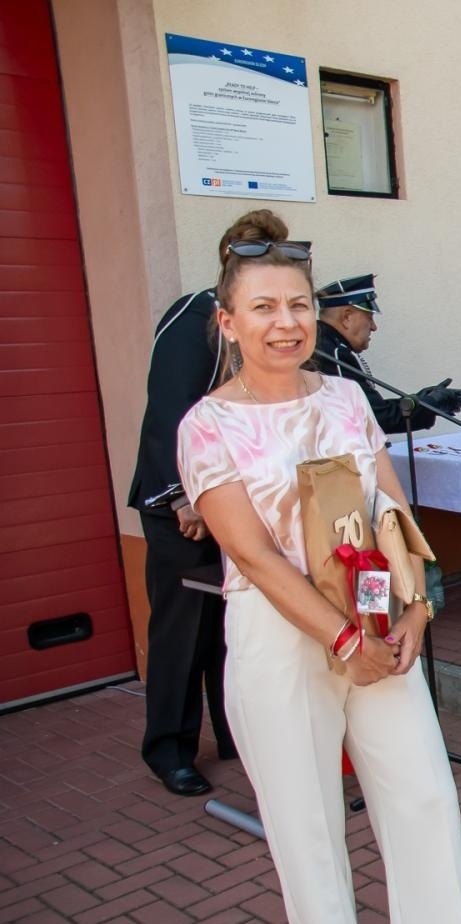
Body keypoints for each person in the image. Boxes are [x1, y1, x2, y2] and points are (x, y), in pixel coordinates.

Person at [178, 230, 461, 924]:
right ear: (227, 322)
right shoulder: (205, 425)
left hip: (375, 622)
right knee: (309, 830)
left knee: (426, 800)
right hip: (280, 637)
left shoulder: (346, 399)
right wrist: (335, 638)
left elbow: (390, 507)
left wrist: (417, 607)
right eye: (263, 308)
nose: (284, 322)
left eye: (297, 304)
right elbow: (250, 552)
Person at [127, 215, 257, 797]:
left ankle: (233, 734)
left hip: (226, 500)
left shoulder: (249, 322)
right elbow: (171, 416)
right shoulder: (194, 316)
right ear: (230, 260)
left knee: (226, 628)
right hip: (178, 503)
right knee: (181, 632)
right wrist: (183, 496)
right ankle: (169, 749)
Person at [313, 274, 461, 435]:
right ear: (346, 317)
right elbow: (374, 418)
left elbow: (371, 409)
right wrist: (430, 403)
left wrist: (419, 402)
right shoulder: (336, 354)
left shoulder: (327, 344)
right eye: (370, 317)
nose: (374, 327)